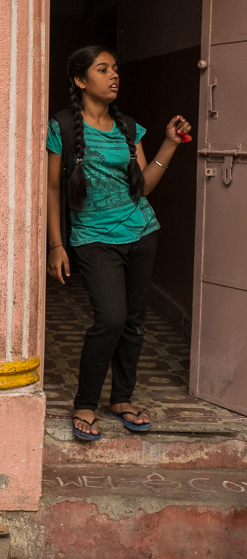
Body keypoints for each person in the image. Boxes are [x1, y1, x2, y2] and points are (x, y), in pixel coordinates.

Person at [46, 45, 192, 442]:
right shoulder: (61, 127)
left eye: (115, 69)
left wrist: (170, 144)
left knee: (134, 323)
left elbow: (142, 185)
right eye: (103, 69)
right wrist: (56, 246)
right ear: (80, 80)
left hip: (142, 232)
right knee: (110, 318)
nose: (114, 76)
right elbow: (52, 186)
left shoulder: (128, 127)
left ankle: (121, 398)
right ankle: (85, 402)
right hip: (94, 239)